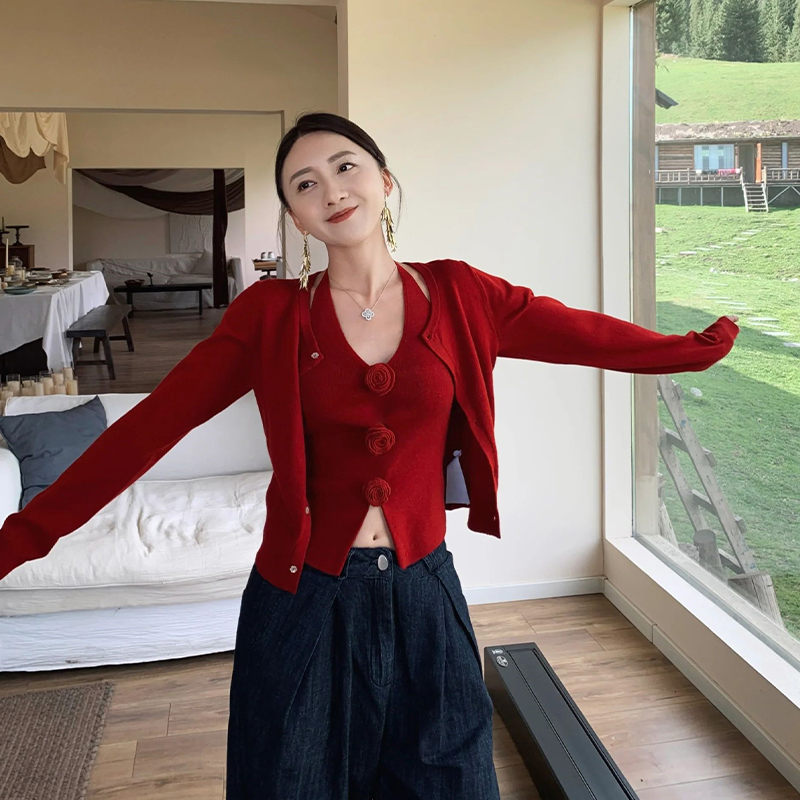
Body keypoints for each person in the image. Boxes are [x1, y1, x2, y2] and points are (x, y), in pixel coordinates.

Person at [0, 112, 740, 799]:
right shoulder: (270, 315)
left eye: (345, 166)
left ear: (384, 180)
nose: (331, 190)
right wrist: (24, 537)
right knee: (288, 780)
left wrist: (688, 351)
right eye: (305, 183)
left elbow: (578, 333)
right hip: (300, 599)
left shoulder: (460, 293)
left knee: (452, 780)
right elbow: (146, 430)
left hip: (424, 591)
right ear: (295, 217)